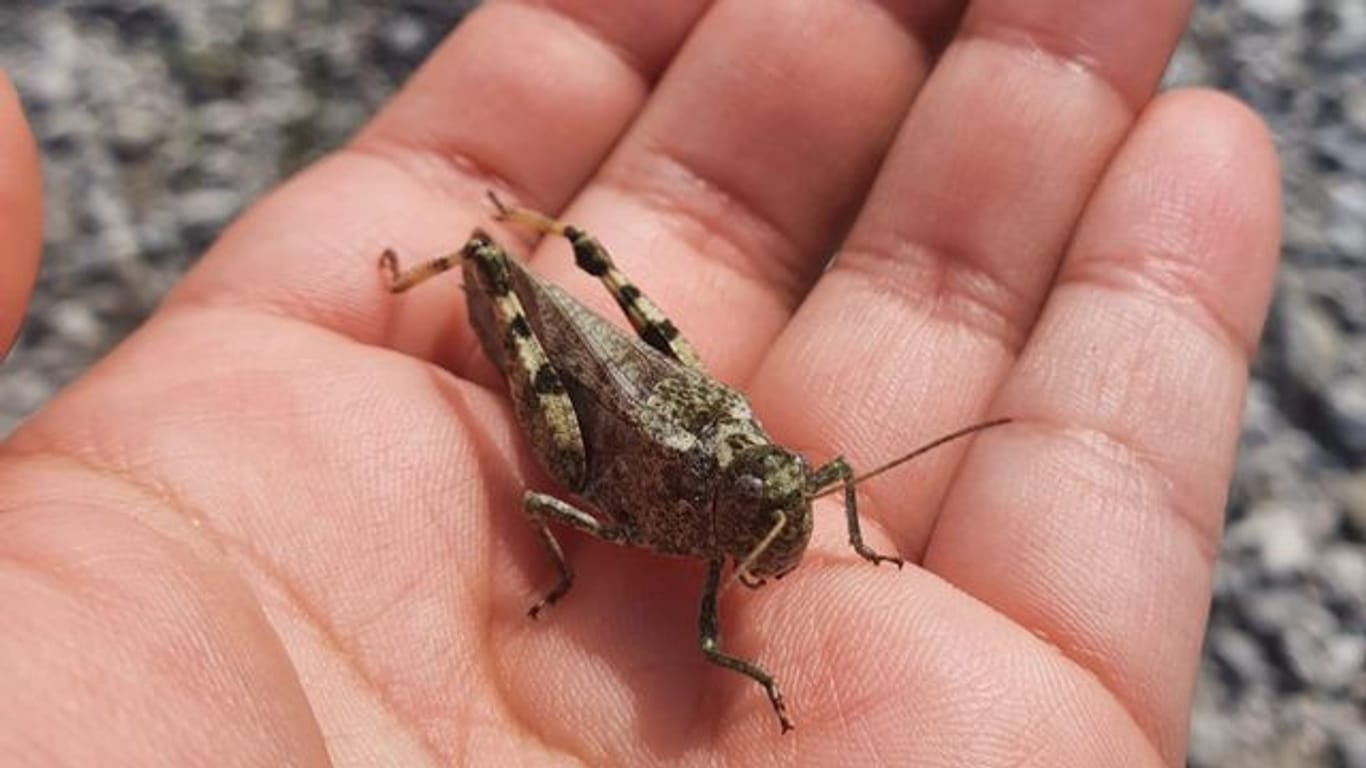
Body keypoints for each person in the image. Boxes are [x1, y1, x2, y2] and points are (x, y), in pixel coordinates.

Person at [0, 3, 1280, 765]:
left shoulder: (786, 491)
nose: (785, 526)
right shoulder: (685, 536)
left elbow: (810, 503)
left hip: (670, 419)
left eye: (785, 513)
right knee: (554, 419)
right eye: (776, 518)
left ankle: (497, 244)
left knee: (642, 359)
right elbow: (584, 527)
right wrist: (560, 573)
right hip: (590, 427)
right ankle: (459, 260)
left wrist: (842, 550)